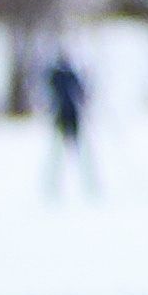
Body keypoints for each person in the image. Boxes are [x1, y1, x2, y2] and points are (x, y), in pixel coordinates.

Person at [37, 46, 97, 201]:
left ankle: (89, 183)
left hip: (70, 114)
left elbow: (80, 92)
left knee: (79, 149)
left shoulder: (65, 75)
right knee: (59, 151)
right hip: (63, 114)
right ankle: (53, 186)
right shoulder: (57, 75)